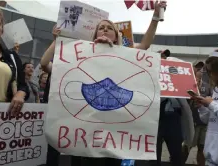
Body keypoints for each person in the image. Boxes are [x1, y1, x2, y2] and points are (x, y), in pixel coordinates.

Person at [41, 1, 167, 165]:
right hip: (84, 134)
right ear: (94, 35)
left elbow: (145, 45)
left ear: (116, 36)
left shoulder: (126, 56)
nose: (105, 29)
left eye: (109, 28)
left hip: (112, 136)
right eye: (101, 27)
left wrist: (156, 17)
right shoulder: (79, 55)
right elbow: (45, 64)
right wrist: (56, 41)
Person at [183, 69, 207, 166]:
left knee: (202, 147)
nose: (199, 74)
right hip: (192, 121)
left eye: (202, 71)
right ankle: (180, 162)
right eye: (196, 74)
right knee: (188, 145)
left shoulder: (208, 86)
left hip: (204, 123)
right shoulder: (187, 85)